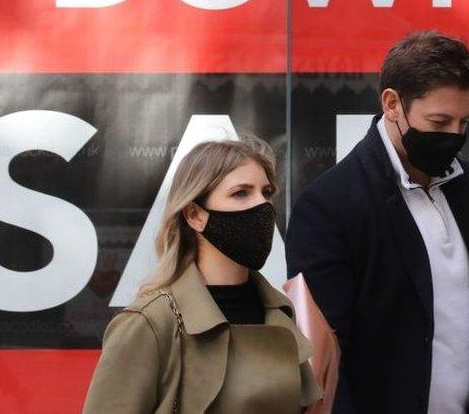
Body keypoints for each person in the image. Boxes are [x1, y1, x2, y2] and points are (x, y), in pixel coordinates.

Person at [285, 30, 469, 413]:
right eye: (439, 122)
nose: (454, 136)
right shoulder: (329, 206)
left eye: (464, 122)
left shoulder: (467, 186)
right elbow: (326, 362)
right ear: (392, 103)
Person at [83, 137, 324, 413]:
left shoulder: (280, 313)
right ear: (195, 215)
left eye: (266, 192)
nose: (263, 206)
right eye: (241, 193)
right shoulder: (150, 322)